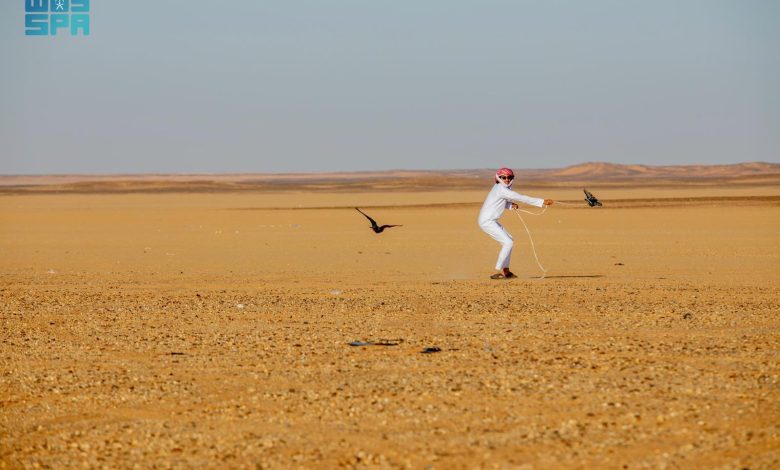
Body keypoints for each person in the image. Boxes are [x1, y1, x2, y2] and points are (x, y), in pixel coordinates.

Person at [478, 167, 553, 279]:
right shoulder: (501, 189)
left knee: (509, 240)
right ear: (498, 178)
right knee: (508, 242)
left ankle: (506, 271)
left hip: (490, 220)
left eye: (509, 177)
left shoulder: (500, 189)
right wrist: (542, 202)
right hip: (487, 221)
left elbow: (500, 202)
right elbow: (520, 197)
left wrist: (510, 206)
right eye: (504, 177)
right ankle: (498, 271)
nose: (507, 179)